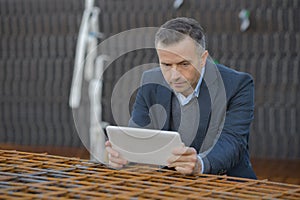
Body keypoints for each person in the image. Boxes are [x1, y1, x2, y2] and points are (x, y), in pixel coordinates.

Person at [105, 17, 256, 179]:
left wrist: (199, 164)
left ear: (203, 58)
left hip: (226, 181)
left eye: (184, 64)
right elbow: (140, 134)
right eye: (166, 65)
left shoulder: (237, 85)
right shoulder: (150, 81)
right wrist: (127, 154)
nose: (174, 76)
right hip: (167, 182)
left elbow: (233, 142)